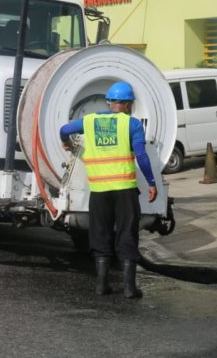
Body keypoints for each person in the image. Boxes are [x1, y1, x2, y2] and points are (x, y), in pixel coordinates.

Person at [59, 81, 158, 299]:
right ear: (128, 104)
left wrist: (66, 143)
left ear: (110, 102)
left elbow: (64, 130)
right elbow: (141, 155)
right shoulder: (132, 124)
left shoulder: (90, 121)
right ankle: (130, 288)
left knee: (100, 234)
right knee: (127, 233)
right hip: (125, 189)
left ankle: (101, 285)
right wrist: (151, 182)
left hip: (100, 190)